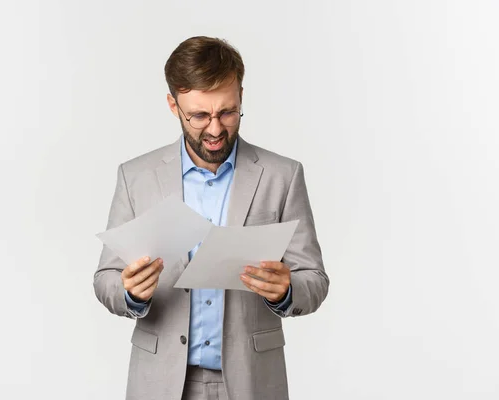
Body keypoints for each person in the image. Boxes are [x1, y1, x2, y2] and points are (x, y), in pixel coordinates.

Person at [93, 36, 329, 400]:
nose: (216, 129)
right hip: (161, 381)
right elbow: (106, 278)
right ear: (174, 105)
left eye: (228, 112)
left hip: (252, 381)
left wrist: (286, 291)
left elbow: (314, 279)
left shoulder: (282, 175)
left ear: (241, 97)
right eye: (200, 115)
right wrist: (128, 292)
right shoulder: (136, 176)